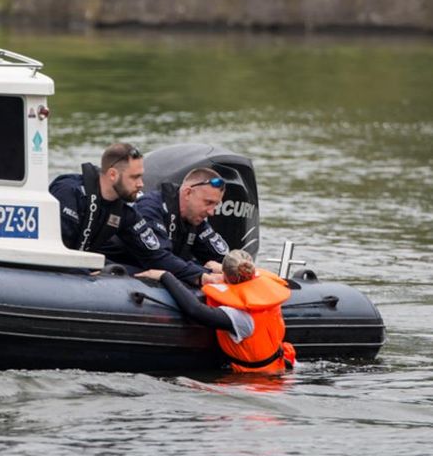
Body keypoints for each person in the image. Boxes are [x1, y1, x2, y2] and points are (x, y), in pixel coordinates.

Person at [49, 143, 219, 286]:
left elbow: (155, 254)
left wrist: (202, 275)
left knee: (134, 274)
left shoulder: (125, 212)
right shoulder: (69, 191)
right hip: (49, 275)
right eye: (135, 177)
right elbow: (56, 250)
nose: (141, 184)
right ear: (113, 175)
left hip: (82, 271)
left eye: (141, 177)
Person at [137, 249, 296, 374]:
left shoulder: (240, 317)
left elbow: (195, 310)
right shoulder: (266, 292)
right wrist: (224, 271)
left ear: (225, 277)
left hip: (255, 380)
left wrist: (166, 276)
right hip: (279, 367)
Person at [134, 167, 230, 273]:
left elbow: (223, 258)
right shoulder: (150, 208)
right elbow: (158, 259)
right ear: (188, 193)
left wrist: (235, 267)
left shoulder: (195, 218)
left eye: (216, 205)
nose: (211, 212)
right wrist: (205, 273)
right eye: (208, 203)